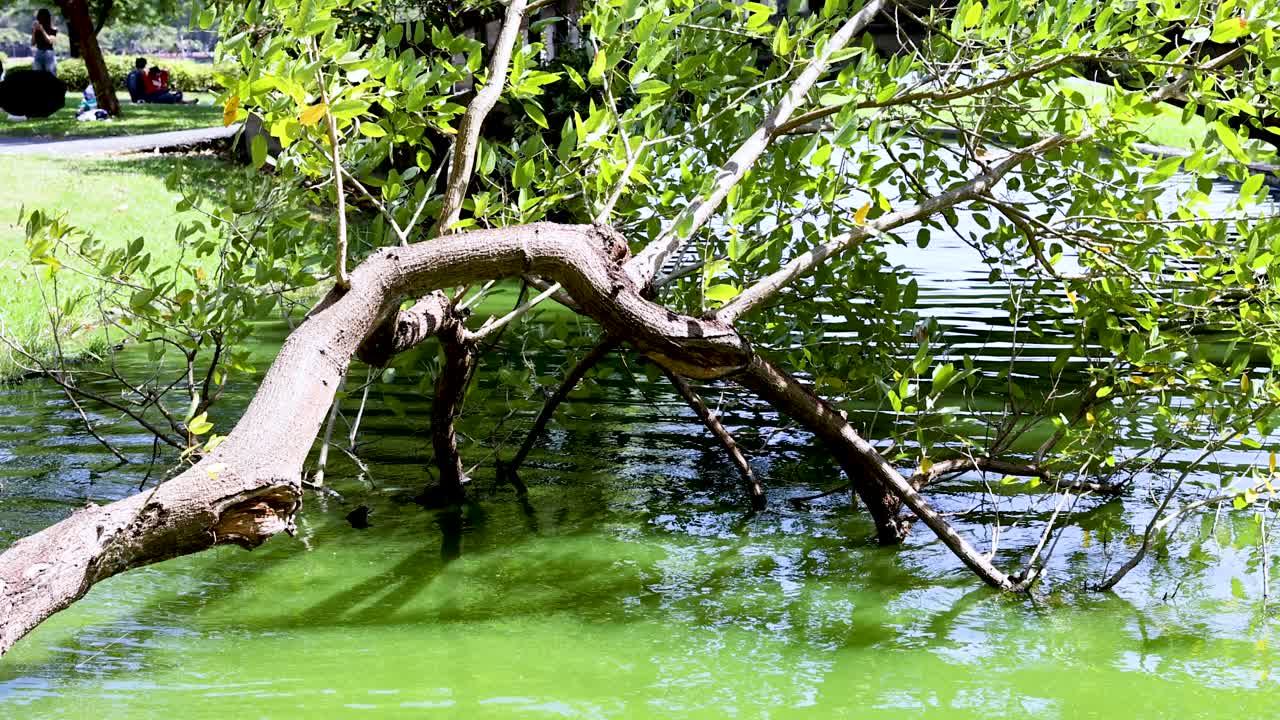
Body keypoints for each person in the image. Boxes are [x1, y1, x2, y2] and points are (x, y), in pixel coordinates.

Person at [31, 9, 57, 76]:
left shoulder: (53, 29)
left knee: (51, 75)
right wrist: (34, 31)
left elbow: (49, 41)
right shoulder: (36, 29)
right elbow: (33, 43)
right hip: (38, 52)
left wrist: (42, 30)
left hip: (49, 53)